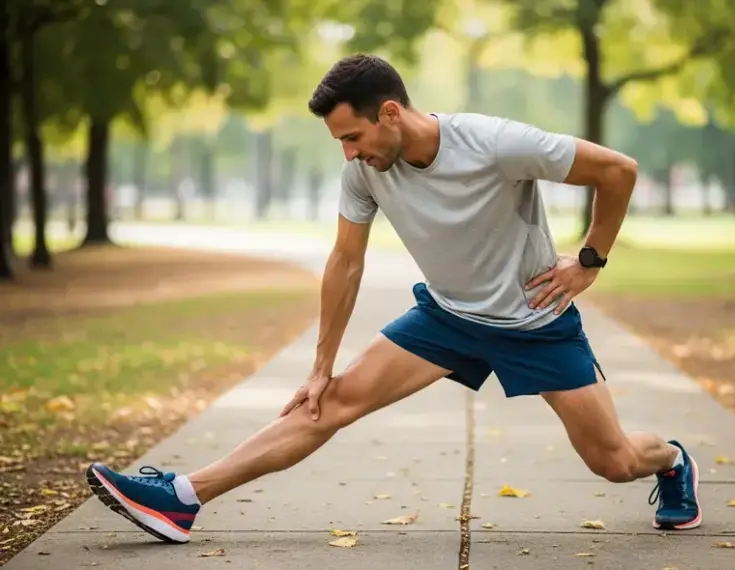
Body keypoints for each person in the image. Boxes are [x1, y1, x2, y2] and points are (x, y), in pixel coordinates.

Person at [85, 54, 702, 544]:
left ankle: (672, 461)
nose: (349, 154)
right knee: (329, 402)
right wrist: (321, 366)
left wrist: (590, 260)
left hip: (535, 320)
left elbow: (616, 170)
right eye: (340, 143)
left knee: (614, 461)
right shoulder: (364, 170)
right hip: (446, 317)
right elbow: (345, 261)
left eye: (352, 137)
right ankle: (182, 499)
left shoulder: (494, 143)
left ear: (389, 113)